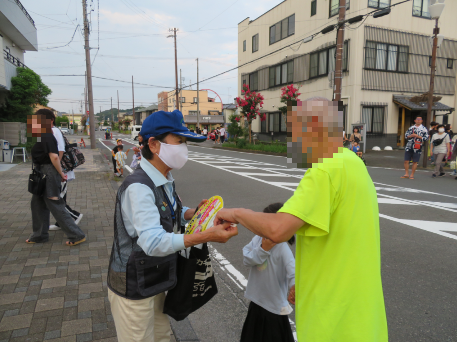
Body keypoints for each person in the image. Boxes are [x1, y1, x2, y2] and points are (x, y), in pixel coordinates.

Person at [214, 98, 388, 342]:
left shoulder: (323, 169)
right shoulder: (354, 164)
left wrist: (235, 213)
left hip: (332, 320)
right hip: (362, 315)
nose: (292, 141)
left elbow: (279, 229)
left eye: (294, 132)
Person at [107, 110, 238, 342]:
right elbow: (153, 241)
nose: (184, 148)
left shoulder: (164, 177)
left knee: (163, 336)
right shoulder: (139, 187)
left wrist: (194, 214)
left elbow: (169, 211)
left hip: (156, 279)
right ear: (154, 145)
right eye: (179, 142)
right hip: (134, 286)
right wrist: (205, 235)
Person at [27, 110, 86, 246]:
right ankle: (39, 235)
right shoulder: (43, 134)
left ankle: (76, 235)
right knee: (37, 203)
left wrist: (61, 173)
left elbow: (54, 156)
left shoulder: (48, 135)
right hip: (42, 171)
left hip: (48, 172)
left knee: (55, 204)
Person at [240, 203, 295, 342]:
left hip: (274, 307)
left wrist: (294, 287)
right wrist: (263, 249)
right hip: (257, 301)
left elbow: (292, 271)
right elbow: (247, 259)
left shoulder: (282, 248)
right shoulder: (258, 239)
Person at [49, 114, 83, 231]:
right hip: (58, 170)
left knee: (58, 198)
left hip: (60, 170)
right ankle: (61, 222)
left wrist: (58, 169)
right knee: (59, 197)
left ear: (51, 120)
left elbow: (60, 150)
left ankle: (74, 216)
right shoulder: (49, 131)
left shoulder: (54, 131)